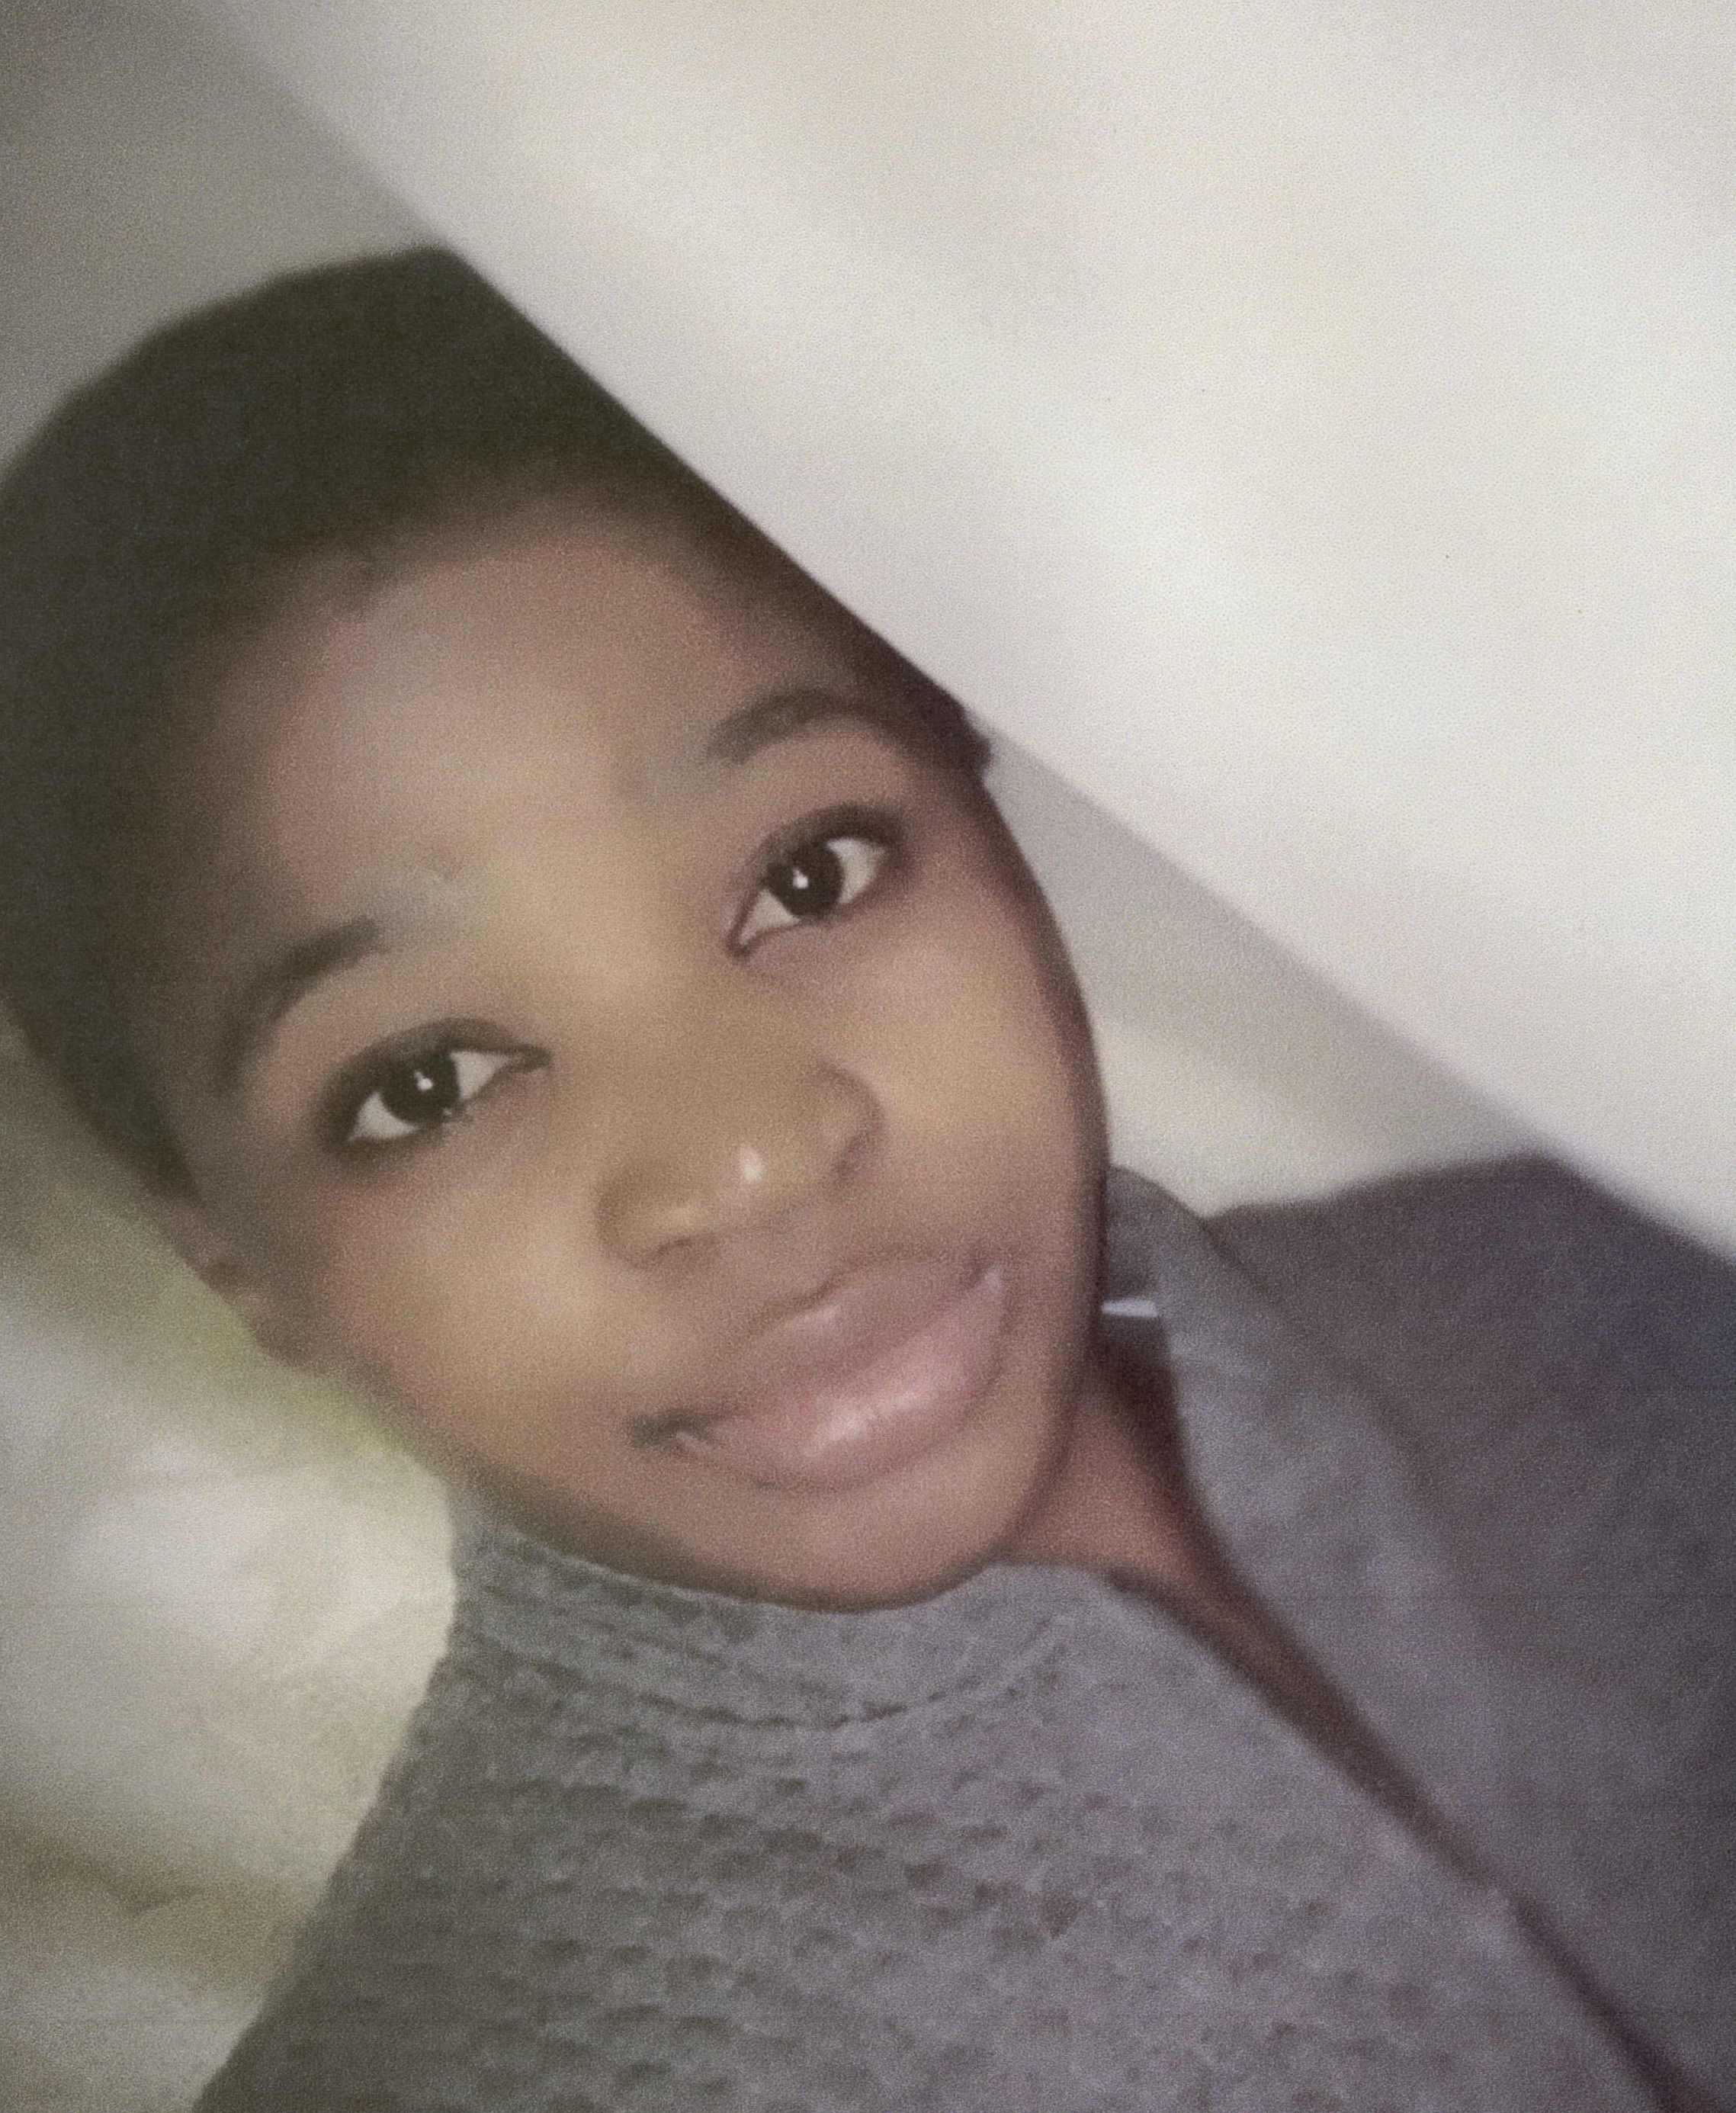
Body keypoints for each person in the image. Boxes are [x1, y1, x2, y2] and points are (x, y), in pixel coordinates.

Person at [0, 248, 1728, 2113]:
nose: (738, 1159)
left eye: (809, 874)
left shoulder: (1602, 1282)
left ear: (975, 800)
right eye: (428, 1083)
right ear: (228, 1258)